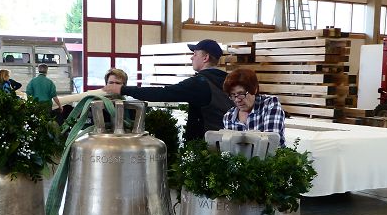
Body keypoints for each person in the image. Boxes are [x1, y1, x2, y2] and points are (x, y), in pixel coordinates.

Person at [103, 39, 232, 142]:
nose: (191, 58)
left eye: (195, 54)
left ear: (205, 58)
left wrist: (123, 89)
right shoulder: (227, 80)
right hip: (227, 140)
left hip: (206, 146)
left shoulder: (199, 83)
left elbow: (162, 93)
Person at [222, 68, 286, 146]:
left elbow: (271, 142)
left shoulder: (269, 104)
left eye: (241, 94)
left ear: (254, 89)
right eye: (233, 95)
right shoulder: (228, 117)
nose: (237, 100)